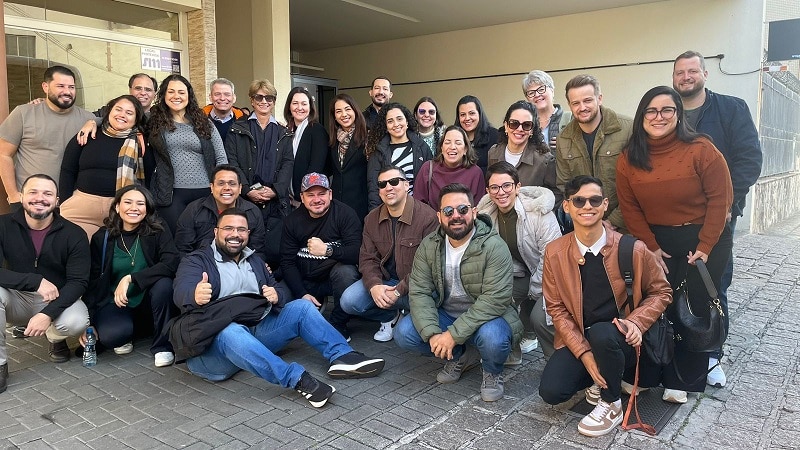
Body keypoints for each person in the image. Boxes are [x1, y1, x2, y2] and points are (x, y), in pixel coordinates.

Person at [173, 209, 385, 408]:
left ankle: (343, 356)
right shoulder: (197, 261)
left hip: (253, 335)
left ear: (248, 234)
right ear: (216, 232)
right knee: (231, 331)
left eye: (241, 229)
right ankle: (298, 379)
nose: (235, 234)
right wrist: (194, 295)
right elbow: (180, 291)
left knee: (302, 307)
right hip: (212, 353)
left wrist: (276, 295)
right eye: (228, 228)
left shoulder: (254, 260)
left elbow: (278, 290)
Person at [616, 85, 733, 403]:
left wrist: (706, 245)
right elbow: (630, 208)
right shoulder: (629, 157)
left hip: (705, 238)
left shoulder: (702, 149)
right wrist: (650, 246)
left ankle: (682, 380)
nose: (659, 116)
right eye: (651, 110)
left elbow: (720, 199)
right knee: (654, 304)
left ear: (678, 115)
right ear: (641, 116)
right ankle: (646, 374)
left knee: (693, 307)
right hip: (656, 241)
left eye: (667, 109)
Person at [538, 175, 671, 437]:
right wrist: (585, 355)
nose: (587, 206)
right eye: (579, 201)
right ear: (567, 206)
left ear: (605, 204)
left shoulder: (632, 248)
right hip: (583, 336)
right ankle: (603, 373)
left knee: (603, 333)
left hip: (624, 339)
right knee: (552, 391)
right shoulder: (555, 252)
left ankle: (611, 403)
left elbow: (662, 291)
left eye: (595, 200)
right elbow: (556, 309)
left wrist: (636, 322)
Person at [672, 50, 762, 387]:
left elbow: (749, 159)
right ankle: (680, 347)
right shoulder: (668, 111)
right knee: (676, 280)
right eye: (680, 72)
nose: (686, 77)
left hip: (718, 215)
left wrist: (726, 202)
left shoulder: (730, 109)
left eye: (692, 71)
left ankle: (711, 355)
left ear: (705, 74)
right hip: (676, 217)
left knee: (712, 282)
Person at [394, 183, 523, 402]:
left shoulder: (494, 246)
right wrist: (434, 334)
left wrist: (452, 335)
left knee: (493, 338)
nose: (456, 216)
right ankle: (461, 355)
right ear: (439, 216)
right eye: (448, 211)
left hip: (488, 318)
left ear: (474, 212)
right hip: (447, 314)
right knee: (404, 333)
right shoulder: (429, 245)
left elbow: (494, 300)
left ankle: (492, 371)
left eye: (463, 209)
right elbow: (420, 292)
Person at [0, 174, 91, 393]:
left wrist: (47, 314)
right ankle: (0, 365)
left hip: (55, 298)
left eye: (47, 194)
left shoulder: (74, 233)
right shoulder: (2, 225)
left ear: (57, 201)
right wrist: (34, 281)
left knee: (77, 321)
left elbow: (78, 282)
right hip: (15, 297)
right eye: (33, 192)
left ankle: (55, 337)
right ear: (21, 196)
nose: (40, 198)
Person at [83, 185, 178, 367]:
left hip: (149, 300)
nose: (134, 208)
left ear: (147, 209)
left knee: (164, 285)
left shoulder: (157, 229)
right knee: (112, 337)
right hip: (117, 302)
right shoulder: (102, 237)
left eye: (140, 204)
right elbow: (93, 281)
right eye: (128, 202)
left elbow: (171, 262)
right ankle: (130, 332)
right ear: (117, 207)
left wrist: (131, 278)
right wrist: (89, 323)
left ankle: (162, 346)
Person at [340, 166, 438, 342]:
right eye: (382, 184)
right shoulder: (371, 219)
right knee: (349, 300)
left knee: (407, 331)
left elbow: (429, 267)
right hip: (387, 282)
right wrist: (374, 286)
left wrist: (399, 291)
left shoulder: (427, 217)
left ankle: (410, 315)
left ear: (407, 185)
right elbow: (367, 258)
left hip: (418, 286)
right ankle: (390, 316)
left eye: (394, 182)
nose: (388, 187)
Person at [476, 162, 562, 361]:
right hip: (520, 273)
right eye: (494, 187)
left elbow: (552, 258)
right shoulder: (486, 217)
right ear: (488, 191)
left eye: (507, 185)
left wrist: (534, 291)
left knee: (540, 317)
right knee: (495, 301)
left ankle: (557, 360)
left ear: (517, 187)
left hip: (552, 276)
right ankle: (511, 352)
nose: (501, 192)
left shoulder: (539, 212)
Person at [0, 65, 95, 211]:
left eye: (71, 87)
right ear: (45, 87)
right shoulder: (24, 113)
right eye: (60, 86)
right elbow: (3, 154)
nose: (67, 91)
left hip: (72, 204)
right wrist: (13, 195)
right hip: (31, 202)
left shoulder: (87, 119)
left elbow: (113, 122)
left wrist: (95, 121)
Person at [280, 173, 362, 340]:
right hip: (303, 277)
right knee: (279, 298)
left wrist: (327, 250)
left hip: (332, 279)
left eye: (322, 194)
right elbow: (287, 262)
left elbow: (357, 253)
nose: (317, 199)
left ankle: (338, 323)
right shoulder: (292, 221)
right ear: (302, 197)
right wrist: (301, 293)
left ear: (330, 194)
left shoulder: (345, 214)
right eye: (310, 195)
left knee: (346, 272)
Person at [147, 74, 228, 233]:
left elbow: (221, 157)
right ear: (163, 95)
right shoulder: (153, 120)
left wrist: (220, 186)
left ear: (188, 96)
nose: (176, 96)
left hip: (205, 191)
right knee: (178, 237)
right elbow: (124, 118)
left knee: (205, 238)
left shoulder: (203, 121)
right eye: (171, 91)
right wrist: (96, 122)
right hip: (171, 193)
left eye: (181, 92)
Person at [224, 79, 292, 268]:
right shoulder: (237, 129)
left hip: (275, 203)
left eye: (268, 98)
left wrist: (276, 190)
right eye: (259, 97)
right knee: (244, 247)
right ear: (252, 100)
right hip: (245, 200)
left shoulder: (283, 132)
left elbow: (288, 163)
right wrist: (246, 189)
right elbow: (232, 162)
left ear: (274, 101)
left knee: (274, 251)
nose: (264, 101)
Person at [59, 95, 147, 238]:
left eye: (129, 113)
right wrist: (65, 201)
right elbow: (67, 170)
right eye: (118, 109)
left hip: (120, 211)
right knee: (70, 246)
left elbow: (148, 178)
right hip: (81, 208)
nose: (122, 115)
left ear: (136, 119)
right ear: (109, 111)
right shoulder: (88, 133)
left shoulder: (141, 142)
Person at [555, 75, 632, 233]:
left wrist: (612, 222)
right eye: (576, 103)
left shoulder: (627, 129)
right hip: (586, 227)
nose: (582, 107)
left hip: (627, 225)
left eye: (588, 100)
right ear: (569, 105)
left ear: (599, 99)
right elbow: (565, 186)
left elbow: (637, 183)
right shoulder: (564, 139)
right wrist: (587, 220)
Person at [174, 165, 267, 260]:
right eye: (221, 183)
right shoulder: (194, 209)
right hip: (200, 264)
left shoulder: (252, 211)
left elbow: (257, 251)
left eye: (232, 184)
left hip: (240, 265)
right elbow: (183, 249)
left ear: (240, 188)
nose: (226, 188)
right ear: (212, 187)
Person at [488, 101, 562, 207]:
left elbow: (557, 194)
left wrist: (537, 212)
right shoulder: (493, 153)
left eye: (526, 125)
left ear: (532, 130)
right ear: (506, 126)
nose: (520, 129)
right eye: (514, 124)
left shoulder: (544, 160)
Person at [365, 102, 433, 210]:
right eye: (390, 121)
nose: (396, 124)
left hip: (417, 210)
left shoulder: (422, 147)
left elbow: (430, 183)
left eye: (399, 119)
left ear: (407, 122)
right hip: (389, 210)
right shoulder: (378, 151)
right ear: (386, 126)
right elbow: (374, 187)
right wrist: (375, 214)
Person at [414, 125, 485, 211]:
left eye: (458, 143)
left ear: (465, 149)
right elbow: (418, 205)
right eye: (447, 142)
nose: (452, 147)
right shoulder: (428, 169)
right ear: (441, 147)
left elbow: (478, 208)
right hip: (433, 219)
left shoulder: (476, 173)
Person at [280, 87, 329, 204]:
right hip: (288, 198)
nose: (299, 108)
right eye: (295, 103)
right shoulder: (287, 132)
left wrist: (302, 194)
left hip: (308, 198)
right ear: (289, 106)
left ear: (310, 107)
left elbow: (316, 167)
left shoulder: (317, 130)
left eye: (304, 104)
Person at [327, 93, 369, 221]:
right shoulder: (333, 140)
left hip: (360, 205)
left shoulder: (368, 137)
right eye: (338, 111)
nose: (344, 114)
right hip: (337, 205)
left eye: (347, 109)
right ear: (334, 116)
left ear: (355, 110)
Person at [522, 70, 571, 152]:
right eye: (531, 93)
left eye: (541, 89)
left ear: (552, 91)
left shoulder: (570, 119)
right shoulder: (524, 125)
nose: (537, 95)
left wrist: (569, 146)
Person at [454, 95, 498, 175]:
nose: (467, 118)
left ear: (479, 114)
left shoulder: (495, 136)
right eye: (463, 114)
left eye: (472, 113)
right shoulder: (453, 137)